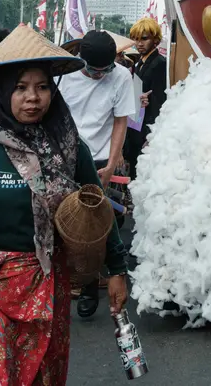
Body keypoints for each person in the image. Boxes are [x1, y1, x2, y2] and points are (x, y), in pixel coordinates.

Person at [0, 26, 129, 384]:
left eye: (42, 87)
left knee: (40, 376)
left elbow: (97, 211)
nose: (32, 98)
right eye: (20, 88)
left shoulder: (71, 151)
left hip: (48, 283)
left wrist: (116, 269)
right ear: (3, 92)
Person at [58, 29, 138, 317]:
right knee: (62, 223)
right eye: (94, 70)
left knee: (95, 226)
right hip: (66, 156)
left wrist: (112, 163)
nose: (100, 75)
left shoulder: (121, 76)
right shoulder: (64, 75)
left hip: (101, 157)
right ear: (82, 61)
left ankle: (90, 286)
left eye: (106, 70)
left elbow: (120, 121)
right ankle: (63, 282)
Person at [127, 17, 168, 180]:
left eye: (144, 39)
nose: (139, 43)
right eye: (136, 39)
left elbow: (159, 103)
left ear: (156, 40)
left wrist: (151, 135)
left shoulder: (159, 63)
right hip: (135, 124)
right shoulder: (139, 64)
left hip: (146, 129)